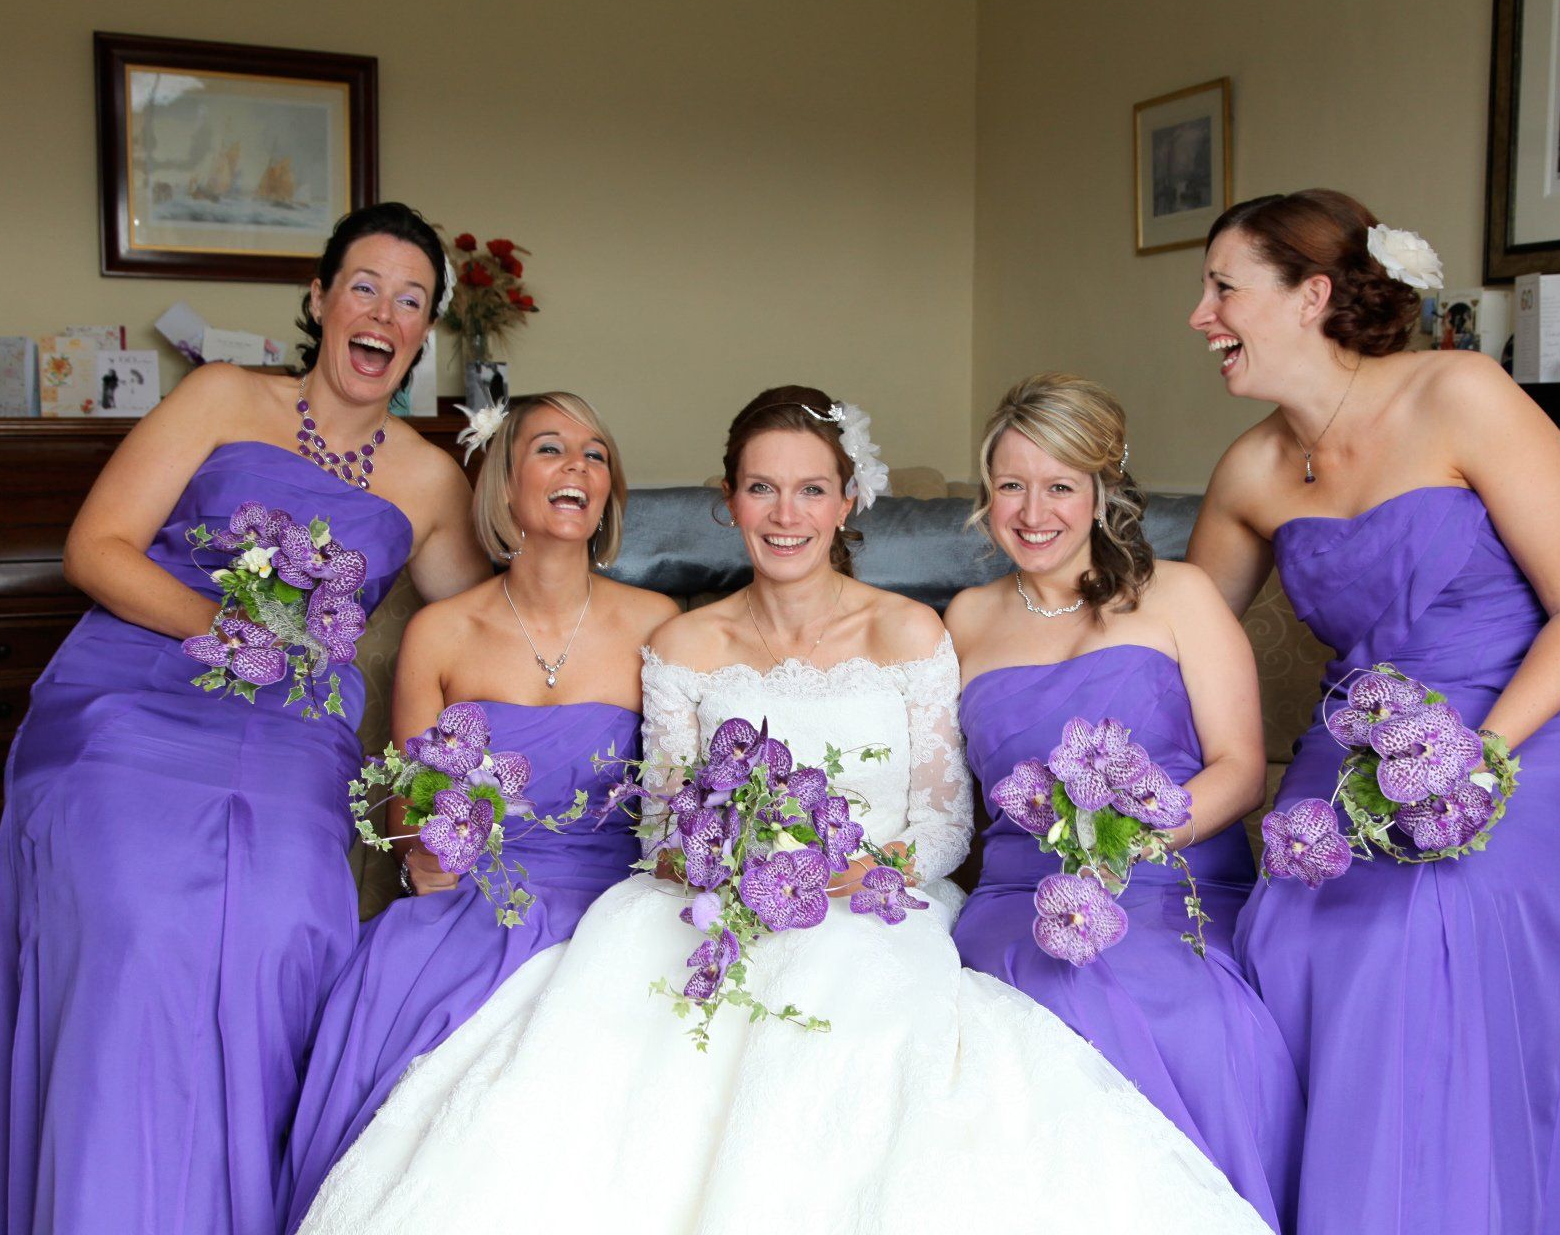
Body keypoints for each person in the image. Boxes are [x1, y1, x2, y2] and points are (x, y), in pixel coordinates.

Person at [294, 385, 1269, 1235]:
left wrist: (856, 871)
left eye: (811, 487)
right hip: (712, 907)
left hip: (872, 902)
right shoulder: (683, 641)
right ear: (730, 504)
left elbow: (943, 817)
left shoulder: (917, 627)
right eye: (761, 486)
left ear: (848, 499)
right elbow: (661, 819)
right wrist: (729, 858)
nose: (786, 511)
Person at [0, 202, 492, 1234]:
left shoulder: (431, 478)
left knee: (283, 915)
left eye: (410, 299)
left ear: (423, 331)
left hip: (293, 728)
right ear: (317, 299)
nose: (382, 311)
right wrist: (228, 627)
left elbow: (485, 627)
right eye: (363, 285)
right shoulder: (220, 395)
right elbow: (99, 546)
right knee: (133, 907)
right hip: (138, 689)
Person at [1184, 189, 1560, 1234]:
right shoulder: (1251, 470)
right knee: (1294, 927)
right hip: (1368, 734)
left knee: (1435, 915)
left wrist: (1477, 757)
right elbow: (1182, 640)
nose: (1199, 315)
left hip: (1540, 710)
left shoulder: (1461, 393)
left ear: (1311, 294)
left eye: (1222, 288)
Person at [280, 392, 677, 1225]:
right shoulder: (441, 632)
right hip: (476, 899)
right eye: (551, 449)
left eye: (596, 454)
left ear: (607, 493)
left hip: (617, 902)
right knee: (409, 1019)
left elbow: (684, 796)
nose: (578, 466)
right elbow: (400, 799)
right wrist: (414, 842)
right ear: (503, 487)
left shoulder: (660, 628)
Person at [946, 373, 1303, 1231]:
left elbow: (1239, 768)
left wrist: (1124, 846)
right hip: (1018, 898)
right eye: (1011, 485)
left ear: (1103, 492)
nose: (1034, 511)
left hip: (1170, 883)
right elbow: (941, 794)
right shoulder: (962, 619)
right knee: (1041, 993)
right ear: (986, 496)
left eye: (1061, 485)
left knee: (1187, 1016)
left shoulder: (1179, 597)